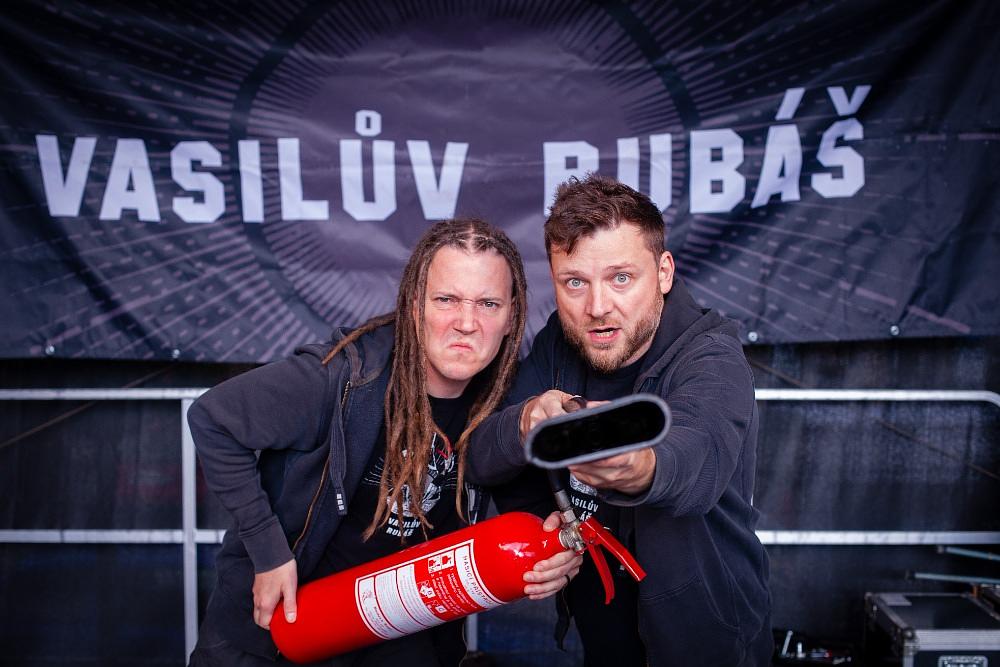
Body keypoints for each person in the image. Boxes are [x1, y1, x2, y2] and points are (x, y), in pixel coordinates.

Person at [187, 219, 581, 667]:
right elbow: (213, 419)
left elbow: (528, 509)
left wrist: (554, 553)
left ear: (511, 316)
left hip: (397, 634)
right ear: (415, 305)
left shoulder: (497, 403)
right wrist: (268, 552)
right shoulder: (344, 379)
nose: (466, 323)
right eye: (446, 300)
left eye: (488, 304)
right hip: (281, 629)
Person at [467, 175, 772, 666]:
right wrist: (527, 426)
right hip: (604, 640)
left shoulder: (711, 357)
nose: (597, 307)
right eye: (575, 282)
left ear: (664, 272)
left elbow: (696, 461)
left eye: (621, 278)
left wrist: (632, 465)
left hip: (707, 646)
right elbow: (482, 456)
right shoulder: (559, 343)